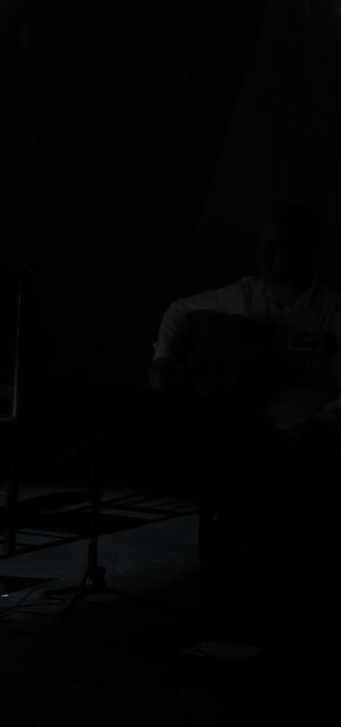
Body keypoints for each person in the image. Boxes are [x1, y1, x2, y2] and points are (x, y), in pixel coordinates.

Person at [147, 203, 341, 646]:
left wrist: (319, 427)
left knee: (279, 488)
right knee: (194, 423)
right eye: (263, 245)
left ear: (307, 251)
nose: (267, 255)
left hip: (303, 438)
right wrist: (163, 359)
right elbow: (178, 310)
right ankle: (216, 596)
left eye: (280, 246)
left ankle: (270, 621)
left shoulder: (331, 311)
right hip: (247, 428)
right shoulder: (245, 295)